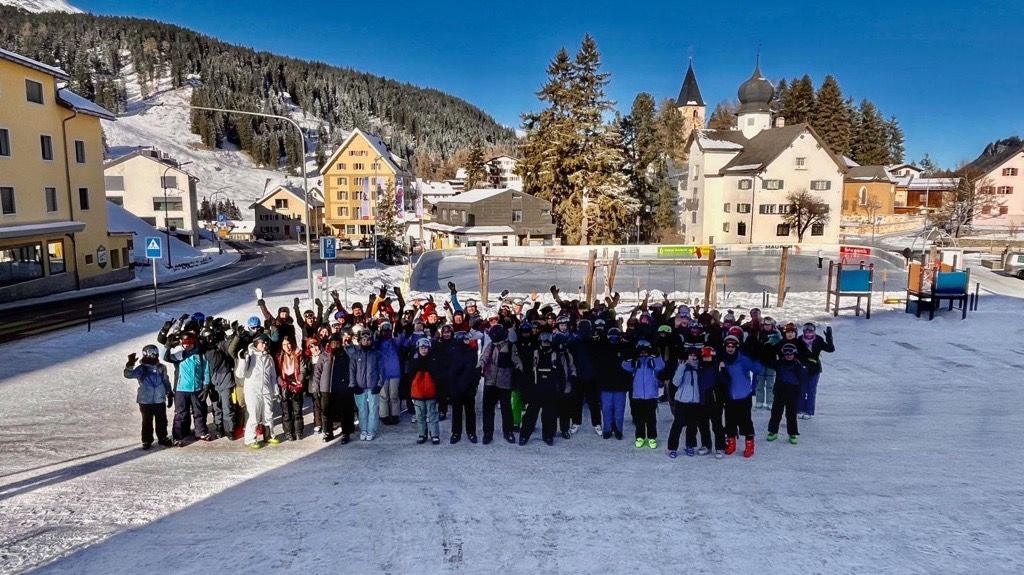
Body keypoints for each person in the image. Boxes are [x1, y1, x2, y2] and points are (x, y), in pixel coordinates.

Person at [519, 331, 573, 446]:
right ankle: (524, 435)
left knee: (549, 415)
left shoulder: (556, 355)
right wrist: (527, 390)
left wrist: (561, 389)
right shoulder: (535, 353)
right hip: (536, 388)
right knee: (530, 414)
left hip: (551, 389)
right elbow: (528, 372)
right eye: (544, 341)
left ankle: (548, 436)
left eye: (548, 341)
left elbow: (561, 373)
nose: (546, 343)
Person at [163, 333, 213, 446]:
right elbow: (166, 358)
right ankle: (178, 436)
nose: (188, 346)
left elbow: (205, 370)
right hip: (182, 389)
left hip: (197, 388)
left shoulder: (200, 355)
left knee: (199, 411)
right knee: (181, 413)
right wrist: (168, 346)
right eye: (185, 344)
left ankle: (201, 432)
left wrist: (206, 386)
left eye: (190, 344)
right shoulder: (180, 354)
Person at [234, 334, 281, 448]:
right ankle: (250, 439)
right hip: (252, 391)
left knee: (268, 414)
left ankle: (269, 435)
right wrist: (242, 360)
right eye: (262, 343)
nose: (264, 345)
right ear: (256, 343)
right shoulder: (249, 355)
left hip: (266, 390)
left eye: (266, 343)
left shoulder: (268, 357)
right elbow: (240, 374)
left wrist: (275, 389)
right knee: (254, 415)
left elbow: (272, 376)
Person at [719, 334, 762, 458]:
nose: (730, 348)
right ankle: (731, 443)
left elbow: (757, 370)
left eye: (733, 346)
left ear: (737, 347)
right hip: (729, 397)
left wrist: (757, 358)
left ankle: (749, 445)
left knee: (746, 421)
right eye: (728, 346)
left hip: (744, 396)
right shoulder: (722, 359)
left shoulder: (742, 359)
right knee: (730, 421)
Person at [124, 345, 173, 449]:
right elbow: (128, 375)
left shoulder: (161, 367)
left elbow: (165, 380)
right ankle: (146, 440)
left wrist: (169, 393)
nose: (154, 355)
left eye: (156, 353)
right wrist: (130, 365)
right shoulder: (142, 369)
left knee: (162, 420)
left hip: (159, 399)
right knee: (147, 421)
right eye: (152, 353)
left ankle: (162, 437)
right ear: (146, 354)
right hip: (145, 400)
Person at [480, 323, 522, 444]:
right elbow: (484, 357)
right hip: (490, 381)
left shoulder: (510, 346)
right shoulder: (491, 346)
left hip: (505, 381)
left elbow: (516, 360)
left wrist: (519, 368)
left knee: (506, 408)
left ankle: (507, 431)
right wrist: (479, 367)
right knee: (488, 409)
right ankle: (488, 433)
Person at [666, 347, 711, 458]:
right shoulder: (682, 367)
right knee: (677, 425)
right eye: (691, 355)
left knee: (692, 426)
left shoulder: (700, 368)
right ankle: (672, 447)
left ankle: (690, 445)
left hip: (695, 402)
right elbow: (675, 382)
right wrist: (681, 368)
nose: (693, 357)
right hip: (682, 401)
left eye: (695, 355)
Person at [621, 339, 665, 449]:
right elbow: (624, 365)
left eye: (645, 351)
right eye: (641, 352)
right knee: (639, 419)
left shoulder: (652, 360)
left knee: (651, 419)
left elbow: (661, 366)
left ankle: (652, 438)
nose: (643, 354)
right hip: (638, 395)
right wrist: (632, 356)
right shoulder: (636, 361)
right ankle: (639, 437)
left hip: (651, 395)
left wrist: (656, 355)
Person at [312, 339, 355, 443]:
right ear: (329, 344)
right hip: (326, 388)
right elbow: (317, 372)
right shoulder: (324, 356)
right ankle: (328, 432)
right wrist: (316, 387)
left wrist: (350, 384)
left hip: (341, 388)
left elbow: (350, 370)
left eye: (337, 343)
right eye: (333, 343)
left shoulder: (344, 355)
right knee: (326, 412)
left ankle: (346, 433)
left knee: (344, 411)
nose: (335, 345)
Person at [766, 343, 806, 444]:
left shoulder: (797, 364)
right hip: (780, 391)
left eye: (790, 353)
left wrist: (800, 392)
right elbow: (768, 362)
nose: (788, 355)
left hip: (793, 392)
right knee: (776, 413)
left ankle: (792, 433)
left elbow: (802, 378)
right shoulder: (779, 363)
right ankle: (773, 431)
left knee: (791, 414)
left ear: (794, 353)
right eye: (786, 353)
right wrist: (769, 348)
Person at [347, 330, 383, 440]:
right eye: (363, 340)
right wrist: (353, 385)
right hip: (360, 386)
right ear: (359, 341)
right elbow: (352, 371)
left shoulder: (377, 354)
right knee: (362, 409)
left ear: (371, 341)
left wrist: (379, 384)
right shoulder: (355, 355)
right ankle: (363, 429)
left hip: (373, 386)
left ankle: (371, 430)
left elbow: (381, 370)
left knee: (373, 409)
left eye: (368, 340)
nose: (366, 342)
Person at [597, 327, 631, 440]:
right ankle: (607, 429)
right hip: (606, 385)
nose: (613, 339)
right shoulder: (602, 348)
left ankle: (618, 430)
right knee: (606, 409)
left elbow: (628, 368)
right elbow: (599, 368)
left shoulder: (625, 349)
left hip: (620, 386)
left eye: (616, 337)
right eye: (611, 337)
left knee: (619, 410)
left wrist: (627, 384)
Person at [797, 323, 835, 419]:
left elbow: (830, 349)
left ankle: (809, 411)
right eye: (806, 331)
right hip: (802, 367)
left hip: (814, 368)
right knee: (802, 389)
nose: (809, 333)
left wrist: (829, 338)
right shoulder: (799, 340)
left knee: (811, 390)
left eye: (811, 331)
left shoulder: (818, 340)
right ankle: (800, 409)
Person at [448, 331, 480, 444]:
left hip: (469, 387)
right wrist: (452, 387)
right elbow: (450, 371)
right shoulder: (452, 352)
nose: (468, 341)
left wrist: (474, 385)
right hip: (456, 387)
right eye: (465, 339)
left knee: (470, 411)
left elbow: (476, 369)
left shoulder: (472, 352)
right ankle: (456, 433)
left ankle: (471, 432)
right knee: (456, 411)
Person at [408, 338, 441, 444]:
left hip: (430, 392)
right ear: (418, 348)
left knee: (432, 414)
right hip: (417, 392)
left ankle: (435, 434)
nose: (424, 350)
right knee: (420, 416)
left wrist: (438, 392)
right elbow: (410, 377)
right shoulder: (413, 360)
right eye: (422, 347)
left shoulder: (434, 360)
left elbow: (437, 377)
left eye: (426, 347)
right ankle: (422, 434)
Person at [276, 337, 307, 441]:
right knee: (286, 412)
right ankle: (288, 432)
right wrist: (282, 382)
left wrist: (300, 382)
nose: (287, 347)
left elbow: (303, 370)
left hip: (296, 384)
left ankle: (299, 431)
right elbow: (277, 373)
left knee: (297, 410)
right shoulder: (279, 356)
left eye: (288, 344)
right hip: (285, 386)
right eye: (284, 345)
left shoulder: (298, 354)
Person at [375, 321, 404, 425]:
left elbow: (402, 341)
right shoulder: (378, 343)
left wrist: (399, 330)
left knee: (394, 395)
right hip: (383, 373)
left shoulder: (394, 341)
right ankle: (384, 415)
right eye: (384, 331)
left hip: (395, 372)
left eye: (389, 330)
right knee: (383, 396)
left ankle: (395, 414)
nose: (386, 333)